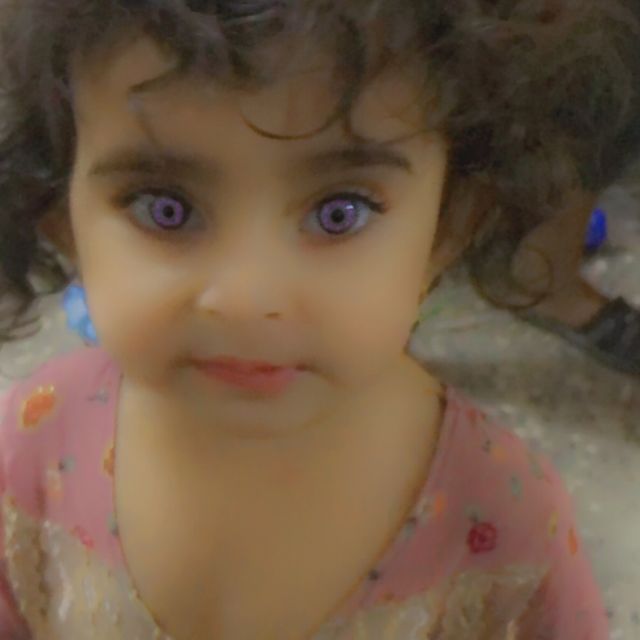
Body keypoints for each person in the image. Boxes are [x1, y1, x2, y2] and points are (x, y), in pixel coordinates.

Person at [0, 1, 633, 638]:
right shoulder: (29, 446)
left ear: (447, 228)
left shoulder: (508, 525)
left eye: (339, 212)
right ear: (62, 220)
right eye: (165, 209)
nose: (248, 299)